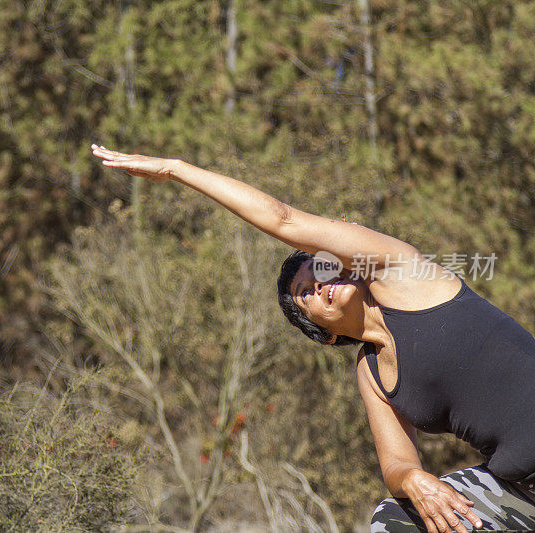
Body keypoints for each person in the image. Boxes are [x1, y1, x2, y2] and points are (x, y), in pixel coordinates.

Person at [91, 144, 535, 533]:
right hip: (519, 490)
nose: (323, 283)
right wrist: (414, 481)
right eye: (308, 292)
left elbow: (283, 219)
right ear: (323, 334)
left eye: (323, 267)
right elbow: (396, 464)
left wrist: (176, 169)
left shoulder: (402, 275)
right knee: (394, 520)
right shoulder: (372, 372)